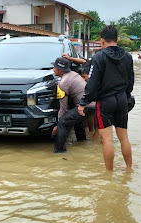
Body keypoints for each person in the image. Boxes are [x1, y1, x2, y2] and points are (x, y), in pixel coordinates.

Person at [78, 25, 134, 171]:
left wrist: (83, 102)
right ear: (117, 39)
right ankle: (129, 169)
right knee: (124, 138)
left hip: (105, 101)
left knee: (107, 139)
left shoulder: (98, 57)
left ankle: (109, 173)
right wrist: (126, 96)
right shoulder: (128, 56)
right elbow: (130, 80)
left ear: (102, 41)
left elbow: (93, 82)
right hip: (121, 99)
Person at [51, 57, 95, 153]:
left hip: (85, 106)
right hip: (92, 105)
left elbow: (63, 108)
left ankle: (59, 150)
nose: (53, 69)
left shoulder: (63, 83)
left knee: (63, 121)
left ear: (60, 70)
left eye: (54, 67)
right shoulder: (73, 74)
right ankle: (82, 142)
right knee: (75, 119)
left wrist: (58, 125)